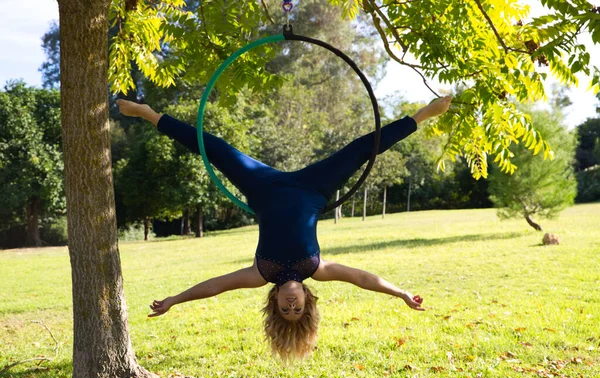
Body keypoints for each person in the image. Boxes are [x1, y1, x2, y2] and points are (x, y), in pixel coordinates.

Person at [115, 95, 452, 363]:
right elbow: (364, 279)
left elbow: (215, 286)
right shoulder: (316, 268)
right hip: (315, 187)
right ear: (308, 300)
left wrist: (175, 300)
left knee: (213, 148)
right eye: (298, 308)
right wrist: (400, 293)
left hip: (262, 188)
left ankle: (148, 114)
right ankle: (423, 115)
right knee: (362, 149)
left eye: (285, 309)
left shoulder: (260, 273)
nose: (291, 304)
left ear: (274, 300)